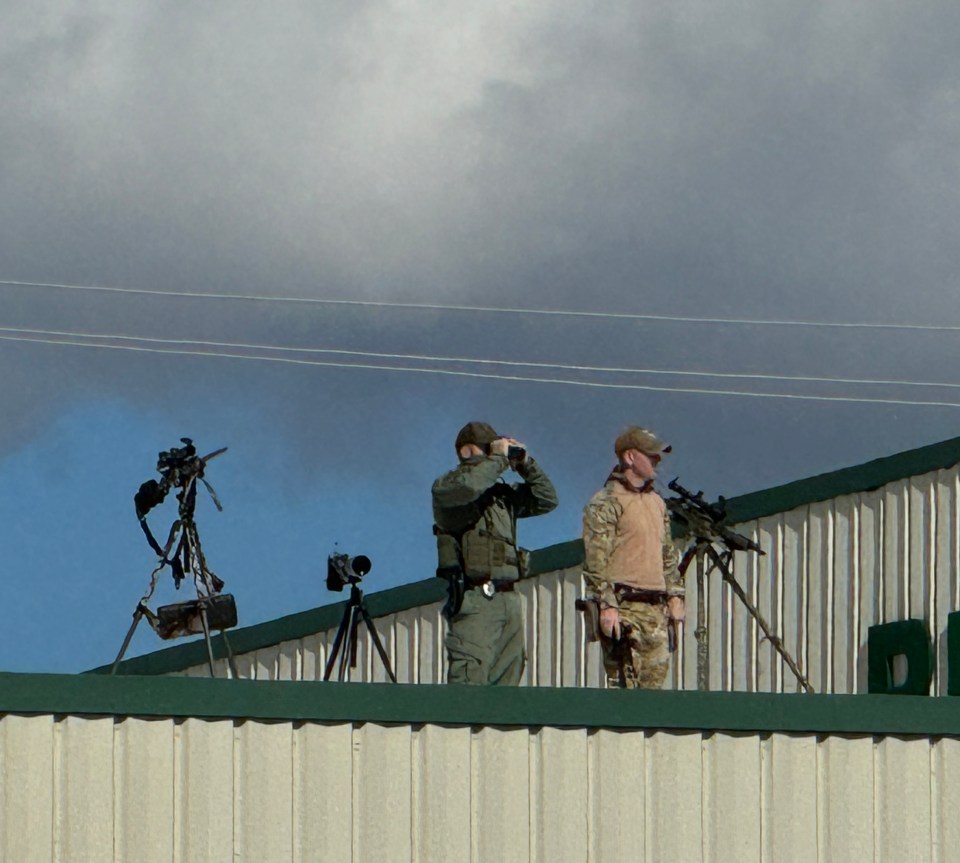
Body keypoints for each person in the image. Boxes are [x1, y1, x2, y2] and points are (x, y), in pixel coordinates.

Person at [433, 421, 558, 685]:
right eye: (489, 448)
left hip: (508, 597)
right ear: (467, 451)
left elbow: (547, 500)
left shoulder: (500, 495)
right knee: (471, 674)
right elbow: (469, 487)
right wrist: (499, 459)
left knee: (509, 676)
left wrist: (526, 464)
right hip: (475, 597)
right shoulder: (448, 487)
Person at [581, 426, 685, 689]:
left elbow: (667, 553)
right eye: (650, 455)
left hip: (656, 609)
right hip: (623, 608)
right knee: (626, 691)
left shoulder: (657, 502)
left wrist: (675, 595)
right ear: (629, 457)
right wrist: (607, 605)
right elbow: (596, 560)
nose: (657, 461)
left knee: (653, 693)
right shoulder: (606, 501)